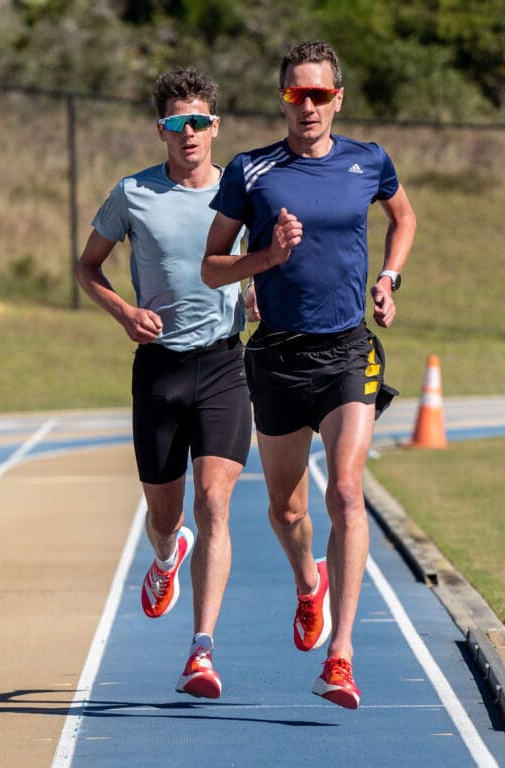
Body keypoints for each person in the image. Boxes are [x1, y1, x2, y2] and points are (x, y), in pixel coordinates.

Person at [202, 40, 417, 709]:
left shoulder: (368, 160)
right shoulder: (251, 170)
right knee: (287, 507)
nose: (309, 106)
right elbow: (213, 266)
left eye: (320, 94)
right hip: (277, 357)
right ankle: (307, 582)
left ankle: (341, 656)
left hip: (348, 351)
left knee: (348, 494)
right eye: (297, 94)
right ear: (283, 99)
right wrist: (265, 256)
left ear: (338, 98)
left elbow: (403, 217)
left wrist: (388, 278)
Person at [76, 67, 251, 700]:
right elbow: (88, 265)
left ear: (215, 126)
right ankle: (163, 556)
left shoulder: (242, 190)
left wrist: (256, 292)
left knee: (215, 502)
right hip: (159, 368)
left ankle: (201, 651)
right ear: (162, 131)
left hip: (225, 364)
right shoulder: (133, 193)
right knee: (166, 514)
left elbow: (257, 261)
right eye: (178, 124)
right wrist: (124, 312)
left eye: (200, 121)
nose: (190, 133)